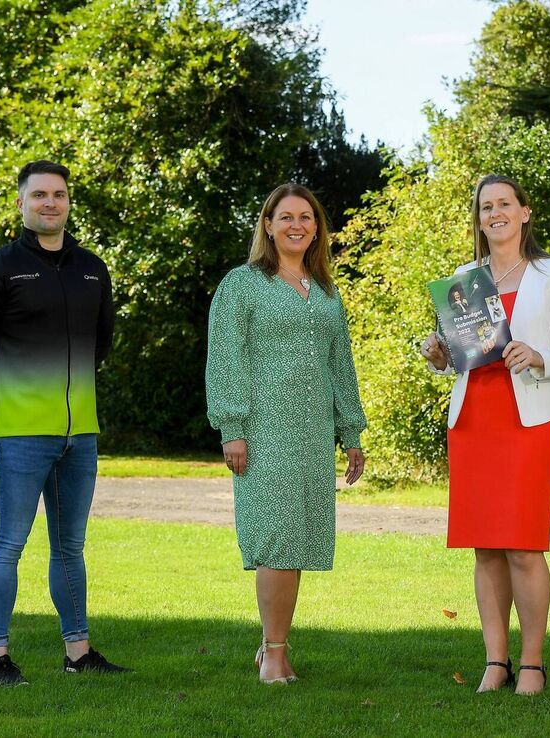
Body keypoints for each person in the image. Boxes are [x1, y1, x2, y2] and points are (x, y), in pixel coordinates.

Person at [0, 160, 128, 685]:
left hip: (81, 435)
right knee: (8, 542)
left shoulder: (92, 267)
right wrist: (12, 396)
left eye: (58, 195)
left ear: (68, 202)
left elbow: (102, 341)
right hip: (22, 432)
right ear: (22, 204)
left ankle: (78, 653)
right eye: (39, 196)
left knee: (70, 546)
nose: (50, 203)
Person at [419, 174, 550, 695]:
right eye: (485, 207)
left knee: (522, 546)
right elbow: (463, 358)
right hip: (474, 421)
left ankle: (532, 663)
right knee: (485, 548)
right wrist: (440, 356)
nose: (494, 213)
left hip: (529, 422)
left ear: (524, 212)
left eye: (504, 204)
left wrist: (539, 357)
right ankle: (496, 662)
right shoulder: (465, 276)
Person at [206, 183, 367, 684]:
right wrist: (232, 427)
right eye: (286, 217)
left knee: (297, 542)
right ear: (268, 226)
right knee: (276, 541)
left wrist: (351, 430)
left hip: (314, 433)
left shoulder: (325, 291)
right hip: (263, 431)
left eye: (306, 217)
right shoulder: (242, 284)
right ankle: (274, 655)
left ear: (317, 228)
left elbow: (340, 363)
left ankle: (272, 647)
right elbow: (225, 358)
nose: (296, 225)